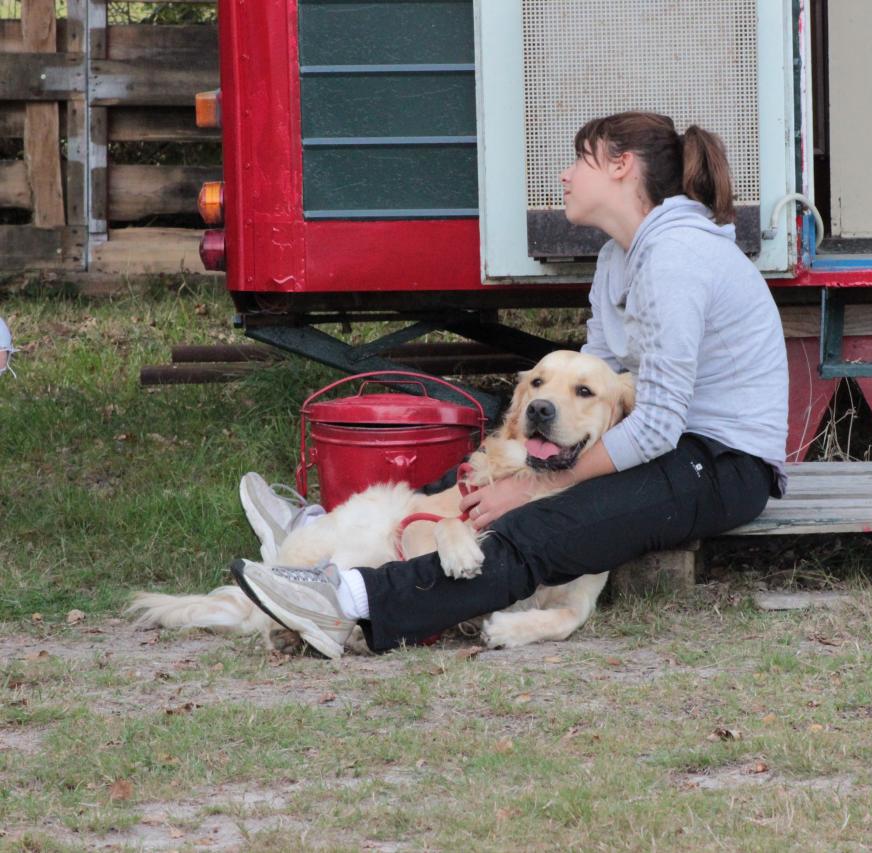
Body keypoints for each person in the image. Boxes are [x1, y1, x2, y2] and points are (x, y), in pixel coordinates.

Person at [231, 111, 790, 658]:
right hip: (663, 443)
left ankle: (349, 599)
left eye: (580, 160)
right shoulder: (620, 257)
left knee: (538, 527)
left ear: (622, 167)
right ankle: (329, 539)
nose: (566, 175)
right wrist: (516, 467)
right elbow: (586, 380)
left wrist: (529, 488)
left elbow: (661, 424)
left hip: (720, 462)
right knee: (472, 479)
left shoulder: (678, 257)